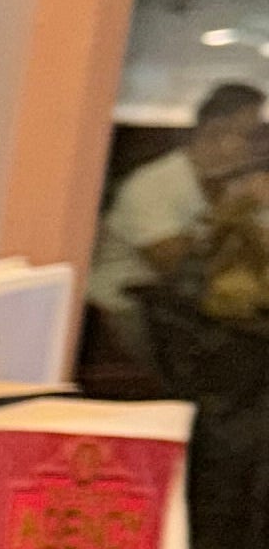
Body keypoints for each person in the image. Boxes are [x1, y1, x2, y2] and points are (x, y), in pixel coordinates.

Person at [86, 76, 268, 366]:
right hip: (126, 315)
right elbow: (175, 265)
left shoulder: (239, 185)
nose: (262, 146)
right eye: (255, 135)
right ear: (215, 132)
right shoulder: (153, 184)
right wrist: (230, 212)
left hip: (202, 313)